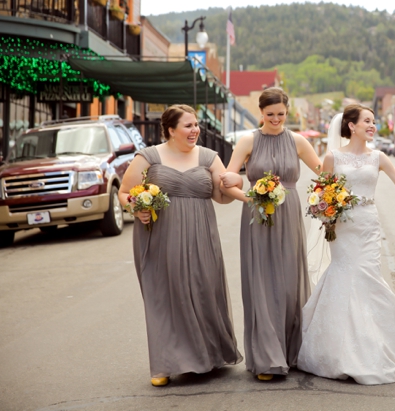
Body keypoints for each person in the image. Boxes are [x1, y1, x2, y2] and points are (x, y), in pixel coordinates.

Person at [296, 104, 395, 385]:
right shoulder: (332, 157)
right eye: (368, 121)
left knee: (369, 279)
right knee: (344, 277)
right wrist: (328, 217)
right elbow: (320, 193)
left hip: (368, 226)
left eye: (374, 121)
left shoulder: (379, 157)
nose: (373, 126)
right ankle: (339, 350)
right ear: (352, 126)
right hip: (343, 228)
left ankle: (376, 346)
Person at [119, 104, 241, 387]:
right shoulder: (148, 157)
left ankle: (207, 355)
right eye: (188, 125)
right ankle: (164, 363)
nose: (195, 130)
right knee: (165, 296)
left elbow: (222, 197)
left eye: (196, 124)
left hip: (201, 235)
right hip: (160, 236)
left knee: (202, 291)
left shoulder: (209, 157)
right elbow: (125, 193)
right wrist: (136, 209)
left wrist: (237, 183)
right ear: (171, 130)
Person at [219, 88, 322, 381]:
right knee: (262, 283)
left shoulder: (299, 141)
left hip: (289, 215)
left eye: (281, 114)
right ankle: (267, 357)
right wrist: (248, 198)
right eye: (270, 114)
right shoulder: (248, 140)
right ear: (261, 113)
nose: (276, 119)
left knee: (289, 282)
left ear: (287, 113)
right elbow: (229, 179)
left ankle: (291, 352)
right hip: (257, 216)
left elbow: (323, 174)